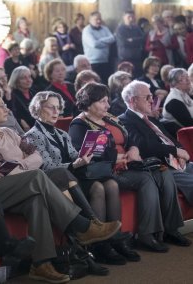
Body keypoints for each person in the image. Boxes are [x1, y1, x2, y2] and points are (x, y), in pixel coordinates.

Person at [0, 95, 121, 283]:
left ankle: (42, 264)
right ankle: (81, 226)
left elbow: (36, 157)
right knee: (38, 176)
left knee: (36, 199)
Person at [69, 83, 189, 252]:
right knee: (146, 179)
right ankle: (146, 234)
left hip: (129, 164)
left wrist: (133, 149)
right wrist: (117, 156)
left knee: (162, 172)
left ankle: (168, 230)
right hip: (107, 171)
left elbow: (130, 139)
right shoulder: (79, 124)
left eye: (107, 101)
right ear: (90, 102)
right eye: (103, 101)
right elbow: (86, 154)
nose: (108, 105)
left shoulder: (109, 118)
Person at [25, 91, 140, 264]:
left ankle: (116, 241)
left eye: (58, 108)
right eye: (50, 107)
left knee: (111, 184)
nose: (56, 112)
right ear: (37, 109)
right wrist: (75, 164)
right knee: (98, 187)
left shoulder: (62, 134)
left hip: (75, 177)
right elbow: (46, 167)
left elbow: (74, 156)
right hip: (56, 183)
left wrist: (87, 155)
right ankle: (100, 246)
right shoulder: (32, 136)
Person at [119, 80, 193, 219]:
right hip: (161, 166)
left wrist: (181, 154)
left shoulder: (150, 119)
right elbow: (143, 146)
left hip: (178, 162)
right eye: (147, 97)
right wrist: (175, 152)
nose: (151, 100)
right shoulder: (124, 120)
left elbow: (171, 139)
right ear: (133, 100)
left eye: (151, 96)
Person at [82, 11, 115, 84]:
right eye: (96, 19)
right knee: (95, 84)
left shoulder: (105, 28)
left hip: (105, 61)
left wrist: (99, 40)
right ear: (90, 20)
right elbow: (94, 44)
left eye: (100, 19)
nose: (99, 21)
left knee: (106, 84)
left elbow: (112, 39)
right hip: (92, 63)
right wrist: (106, 42)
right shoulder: (87, 30)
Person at [115, 10, 144, 78]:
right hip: (125, 59)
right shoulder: (120, 29)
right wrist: (136, 40)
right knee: (125, 77)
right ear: (124, 18)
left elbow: (143, 39)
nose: (131, 19)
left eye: (132, 17)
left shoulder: (136, 28)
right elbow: (124, 43)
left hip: (136, 58)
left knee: (137, 77)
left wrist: (132, 40)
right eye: (129, 17)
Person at [8, 66, 35, 131]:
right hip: (22, 130)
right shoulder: (11, 95)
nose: (28, 80)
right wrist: (20, 121)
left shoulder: (34, 92)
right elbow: (10, 115)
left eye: (29, 76)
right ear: (16, 80)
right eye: (24, 78)